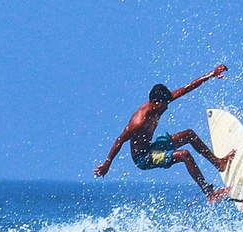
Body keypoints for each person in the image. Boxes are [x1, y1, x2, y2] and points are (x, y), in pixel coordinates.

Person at [94, 63, 232, 199]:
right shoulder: (138, 122)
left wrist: (212, 74)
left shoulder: (160, 103)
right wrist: (107, 164)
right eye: (164, 104)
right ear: (155, 102)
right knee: (184, 154)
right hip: (144, 158)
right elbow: (119, 140)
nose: (166, 108)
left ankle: (219, 164)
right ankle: (209, 193)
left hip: (152, 147)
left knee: (189, 135)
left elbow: (187, 88)